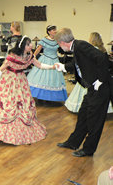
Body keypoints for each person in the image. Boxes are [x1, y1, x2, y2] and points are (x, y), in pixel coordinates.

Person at [0, 36, 55, 145]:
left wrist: (53, 67)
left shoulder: (30, 56)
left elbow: (40, 65)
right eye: (28, 44)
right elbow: (0, 70)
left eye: (31, 44)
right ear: (23, 46)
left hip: (21, 82)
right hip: (8, 80)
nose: (31, 46)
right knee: (4, 104)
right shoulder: (12, 57)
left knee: (20, 105)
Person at [54, 28, 110, 157]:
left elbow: (102, 58)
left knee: (94, 121)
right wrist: (63, 67)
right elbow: (78, 63)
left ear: (62, 42)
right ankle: (73, 142)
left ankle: (88, 149)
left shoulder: (81, 45)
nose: (59, 47)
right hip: (92, 88)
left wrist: (100, 80)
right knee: (83, 115)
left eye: (58, 44)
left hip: (100, 89)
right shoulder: (77, 48)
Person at [65, 32, 113, 113]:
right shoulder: (103, 49)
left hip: (90, 77)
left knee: (88, 97)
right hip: (98, 77)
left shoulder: (90, 49)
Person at [27, 25, 68, 102]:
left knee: (54, 79)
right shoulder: (44, 40)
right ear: (49, 32)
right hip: (45, 59)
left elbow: (62, 48)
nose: (55, 31)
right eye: (53, 30)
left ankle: (51, 98)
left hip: (55, 60)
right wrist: (34, 57)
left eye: (55, 29)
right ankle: (41, 96)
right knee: (42, 78)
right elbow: (38, 49)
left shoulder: (57, 40)